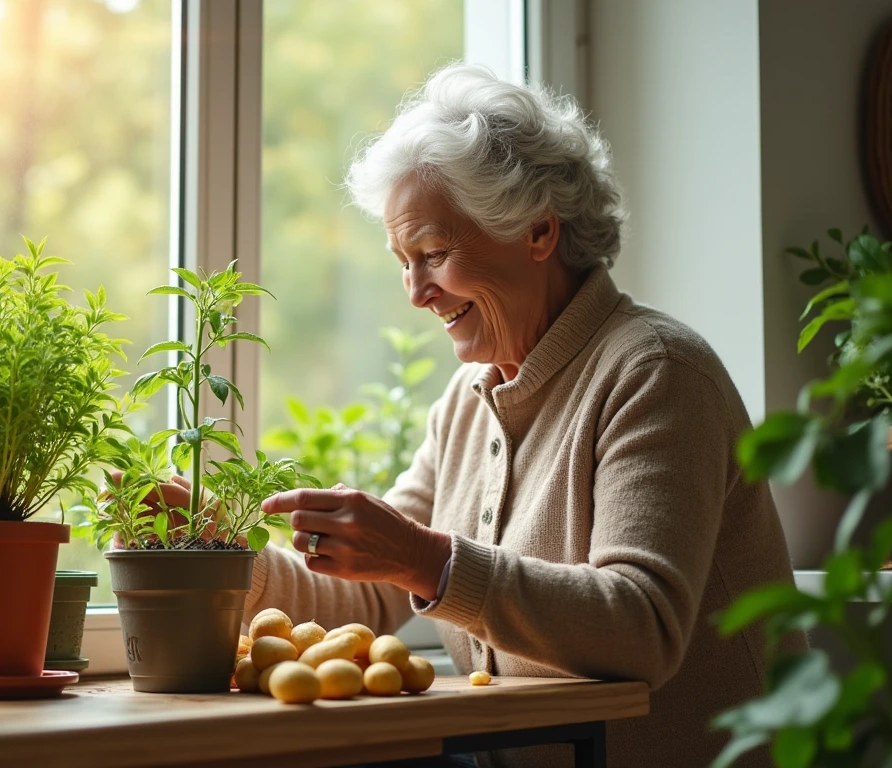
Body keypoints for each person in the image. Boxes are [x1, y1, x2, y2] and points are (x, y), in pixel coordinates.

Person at [141, 63, 802, 767]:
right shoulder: (469, 400)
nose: (416, 292)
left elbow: (642, 626)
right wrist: (219, 551)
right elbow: (369, 601)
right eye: (403, 260)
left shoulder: (657, 372)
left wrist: (425, 558)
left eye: (433, 254)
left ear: (539, 231)